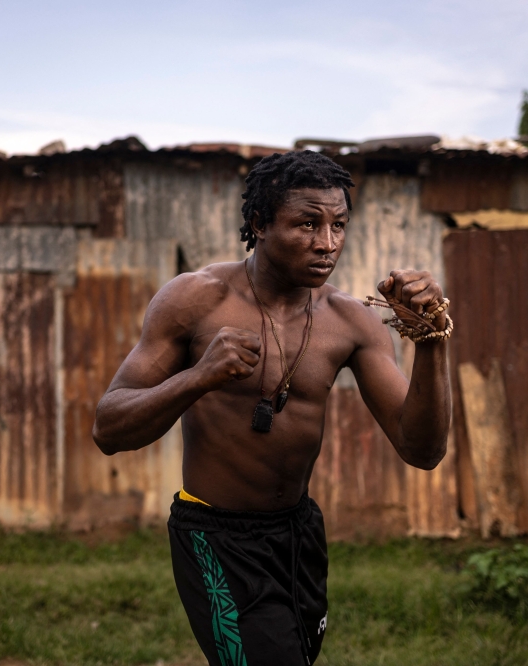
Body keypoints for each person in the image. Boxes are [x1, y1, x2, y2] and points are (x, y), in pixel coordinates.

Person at [93, 150, 452, 666]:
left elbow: (422, 449)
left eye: (338, 225)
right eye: (308, 224)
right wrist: (198, 378)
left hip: (299, 532)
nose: (328, 243)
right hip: (215, 536)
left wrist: (432, 338)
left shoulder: (351, 321)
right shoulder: (196, 300)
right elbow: (109, 426)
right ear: (260, 223)